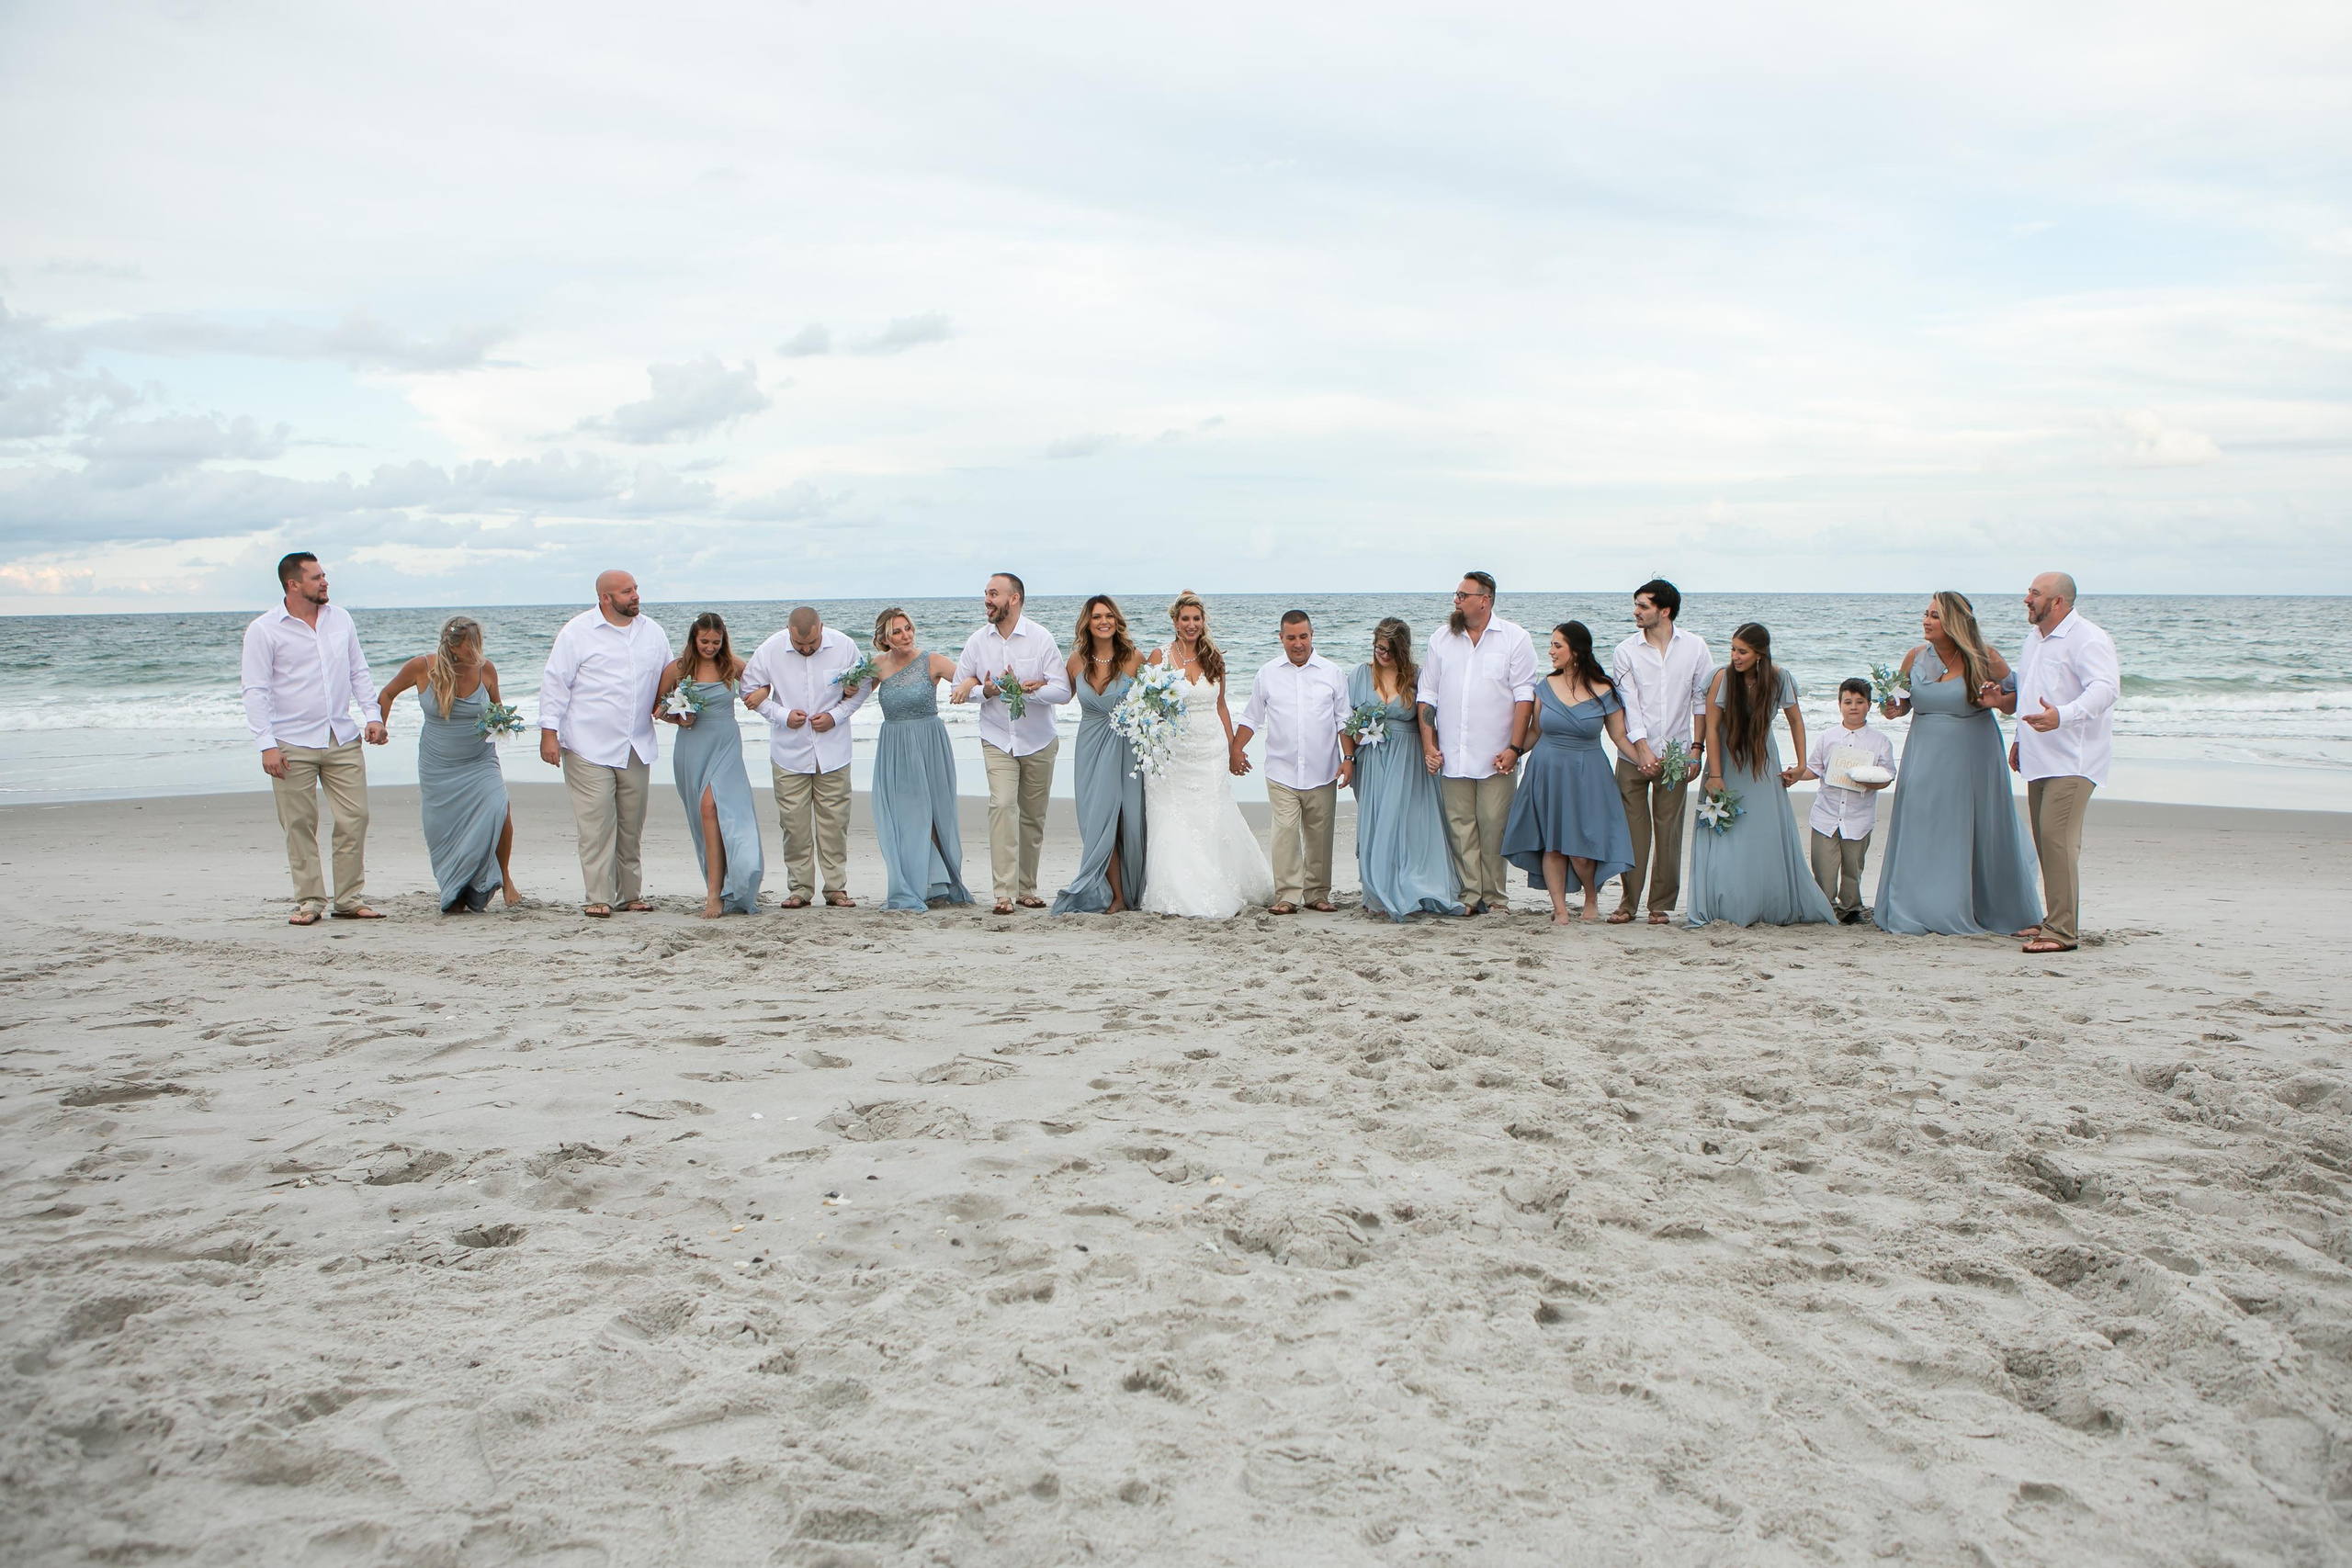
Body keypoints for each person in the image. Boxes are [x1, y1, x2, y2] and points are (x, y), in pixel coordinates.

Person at [1871, 592, 2041, 937]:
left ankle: (1983, 905)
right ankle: (1919, 905)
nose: (1926, 621)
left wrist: (1997, 700)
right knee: (1923, 821)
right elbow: (1904, 704)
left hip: (1973, 754)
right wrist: (1892, 709)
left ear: (1954, 622)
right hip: (1924, 750)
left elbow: (2015, 702)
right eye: (1926, 613)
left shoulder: (1985, 657)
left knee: (1970, 826)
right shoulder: (1915, 657)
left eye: (1935, 615)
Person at [240, 552, 387, 924]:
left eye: (324, 575)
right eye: (316, 577)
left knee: (356, 817)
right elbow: (255, 691)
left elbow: (358, 671)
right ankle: (310, 900)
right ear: (293, 584)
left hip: (342, 736)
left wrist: (372, 715)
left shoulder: (341, 619)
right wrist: (266, 744)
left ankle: (349, 898)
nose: (325, 582)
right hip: (290, 742)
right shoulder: (264, 629)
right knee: (299, 824)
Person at [1983, 572, 2119, 954]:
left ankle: (2062, 932)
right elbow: (2027, 695)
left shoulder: (2087, 637)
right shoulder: (2035, 640)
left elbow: (2105, 689)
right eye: (2029, 591)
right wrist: (2017, 737)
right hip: (2040, 757)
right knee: (2046, 840)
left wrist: (2064, 715)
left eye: (2035, 593)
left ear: (2057, 602)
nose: (2027, 598)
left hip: (2074, 759)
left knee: (2058, 841)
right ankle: (2055, 919)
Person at [1685, 623, 1837, 928]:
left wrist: (1801, 762)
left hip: (1763, 760)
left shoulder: (1779, 678)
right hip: (1726, 760)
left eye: (1742, 651)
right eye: (1732, 649)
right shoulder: (1721, 677)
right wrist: (1715, 776)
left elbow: (1796, 720)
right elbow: (1712, 728)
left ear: (1759, 655)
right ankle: (1726, 902)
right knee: (1727, 832)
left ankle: (1766, 901)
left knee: (1763, 830)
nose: (1735, 657)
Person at [1136, 591, 1275, 919]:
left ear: (1203, 621)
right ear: (1175, 621)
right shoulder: (1159, 656)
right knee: (1173, 817)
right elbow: (1147, 705)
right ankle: (1179, 888)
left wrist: (1233, 748)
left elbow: (1222, 706)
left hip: (1209, 749)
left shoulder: (1214, 656)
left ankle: (1220, 880)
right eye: (1185, 619)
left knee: (1212, 815)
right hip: (1173, 753)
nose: (1191, 624)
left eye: (1196, 619)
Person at [538, 569, 668, 918]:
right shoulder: (577, 632)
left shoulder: (652, 632)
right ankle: (599, 897)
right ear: (606, 598)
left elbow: (668, 677)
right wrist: (548, 733)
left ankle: (630, 894)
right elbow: (555, 683)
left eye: (636, 589)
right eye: (628, 591)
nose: (636, 596)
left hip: (636, 744)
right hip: (587, 744)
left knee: (631, 825)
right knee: (596, 825)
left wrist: (672, 709)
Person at [1502, 622, 1650, 924]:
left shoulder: (1605, 690)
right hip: (1546, 770)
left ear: (1577, 651)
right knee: (1553, 844)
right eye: (1551, 645)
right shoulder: (1544, 686)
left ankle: (1591, 899)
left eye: (1558, 646)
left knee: (1582, 849)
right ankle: (1559, 910)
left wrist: (1644, 762)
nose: (1551, 651)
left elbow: (1620, 737)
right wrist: (1512, 752)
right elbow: (1534, 731)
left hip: (1588, 773)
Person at [374, 615, 517, 913]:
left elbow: (497, 707)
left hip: (480, 760)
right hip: (438, 763)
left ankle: (504, 877)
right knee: (443, 828)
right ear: (453, 646)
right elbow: (386, 694)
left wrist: (502, 723)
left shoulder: (486, 668)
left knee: (498, 807)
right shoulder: (421, 667)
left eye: (479, 644)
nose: (477, 651)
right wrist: (380, 725)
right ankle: (456, 886)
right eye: (471, 645)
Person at [951, 573, 1071, 913]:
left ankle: (1026, 888)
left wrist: (1030, 690)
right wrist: (983, 691)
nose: (987, 600)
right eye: (986, 593)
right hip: (996, 738)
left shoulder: (1040, 638)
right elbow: (961, 686)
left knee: (1033, 817)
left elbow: (1062, 691)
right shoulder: (977, 641)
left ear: (1014, 598)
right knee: (1002, 806)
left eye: (993, 594)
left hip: (1039, 740)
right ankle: (1003, 892)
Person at [1418, 570, 1537, 915]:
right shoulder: (1441, 639)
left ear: (1484, 600)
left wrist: (1515, 748)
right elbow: (1427, 696)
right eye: (1456, 595)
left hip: (1496, 754)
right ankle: (1470, 895)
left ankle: (1496, 896)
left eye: (1462, 595)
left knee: (1493, 826)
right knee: (1460, 827)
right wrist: (1429, 745)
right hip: (1452, 752)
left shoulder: (1515, 638)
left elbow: (1524, 697)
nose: (1455, 601)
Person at [741, 607, 867, 909]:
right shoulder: (770, 650)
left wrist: (836, 716)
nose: (807, 649)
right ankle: (799, 888)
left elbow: (863, 686)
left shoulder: (844, 645)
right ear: (788, 632)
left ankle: (836, 888)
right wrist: (782, 715)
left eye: (812, 643)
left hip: (833, 750)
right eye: (800, 646)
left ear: (821, 628)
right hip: (789, 751)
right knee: (793, 824)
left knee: (834, 823)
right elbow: (748, 690)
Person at [1233, 611, 1352, 914]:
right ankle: (1287, 894)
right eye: (1291, 638)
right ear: (1281, 638)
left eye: (1303, 637)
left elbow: (1344, 720)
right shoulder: (1268, 673)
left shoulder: (1332, 672)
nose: (1297, 644)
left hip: (1323, 768)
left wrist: (1348, 758)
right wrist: (1236, 749)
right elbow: (1251, 717)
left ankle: (1317, 893)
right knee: (1284, 832)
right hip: (1281, 769)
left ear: (1311, 636)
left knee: (1320, 835)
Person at [1344, 618, 1464, 920]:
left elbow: (1429, 718)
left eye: (1390, 649)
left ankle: (1412, 886)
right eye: (1378, 647)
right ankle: (1377, 891)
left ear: (1403, 649)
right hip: (1372, 759)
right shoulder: (1359, 675)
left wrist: (1432, 751)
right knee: (1376, 822)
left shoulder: (1417, 677)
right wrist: (1350, 751)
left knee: (1408, 824)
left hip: (1408, 758)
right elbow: (1345, 721)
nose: (1383, 654)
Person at [1610, 578, 1711, 925]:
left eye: (1643, 606)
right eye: (1636, 605)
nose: (1635, 612)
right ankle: (1628, 902)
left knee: (1669, 830)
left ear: (1664, 611)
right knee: (1633, 830)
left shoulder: (1696, 648)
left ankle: (1660, 904)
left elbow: (1702, 701)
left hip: (1678, 753)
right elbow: (1629, 704)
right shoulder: (1625, 651)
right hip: (1633, 756)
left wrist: (1697, 749)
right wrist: (1641, 750)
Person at [657, 613, 763, 918]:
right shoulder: (678, 668)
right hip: (693, 746)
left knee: (718, 810)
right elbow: (658, 707)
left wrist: (759, 695)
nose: (710, 647)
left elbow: (768, 683)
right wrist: (678, 715)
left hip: (726, 744)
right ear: (694, 638)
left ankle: (726, 887)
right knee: (705, 814)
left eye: (716, 642)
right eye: (704, 641)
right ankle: (715, 891)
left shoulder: (731, 664)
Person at [867, 607, 974, 912]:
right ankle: (922, 881)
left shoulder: (933, 660)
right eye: (897, 631)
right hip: (895, 747)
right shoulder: (876, 666)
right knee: (906, 815)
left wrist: (967, 684)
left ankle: (941, 883)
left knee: (933, 814)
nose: (905, 635)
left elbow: (970, 677)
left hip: (929, 742)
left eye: (908, 628)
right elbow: (853, 697)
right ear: (885, 638)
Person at [1051, 595, 1148, 915]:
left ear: (1116, 621)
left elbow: (1152, 704)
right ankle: (1115, 895)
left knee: (1126, 820)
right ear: (1087, 623)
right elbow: (1060, 694)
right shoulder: (1076, 660)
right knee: (1098, 821)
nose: (1103, 621)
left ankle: (1130, 892)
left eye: (1108, 615)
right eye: (1096, 617)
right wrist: (1031, 686)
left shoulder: (1134, 658)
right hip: (1091, 746)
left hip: (1125, 746)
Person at [1804, 677, 1895, 923]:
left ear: (1868, 705)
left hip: (1858, 816)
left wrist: (1871, 782)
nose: (1853, 706)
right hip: (1826, 813)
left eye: (1859, 701)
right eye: (1848, 702)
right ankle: (1825, 906)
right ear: (1839, 705)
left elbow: (1887, 776)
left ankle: (1850, 909)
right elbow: (1814, 769)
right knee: (1823, 865)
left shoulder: (1879, 741)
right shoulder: (1827, 737)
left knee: (1853, 866)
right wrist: (1794, 776)